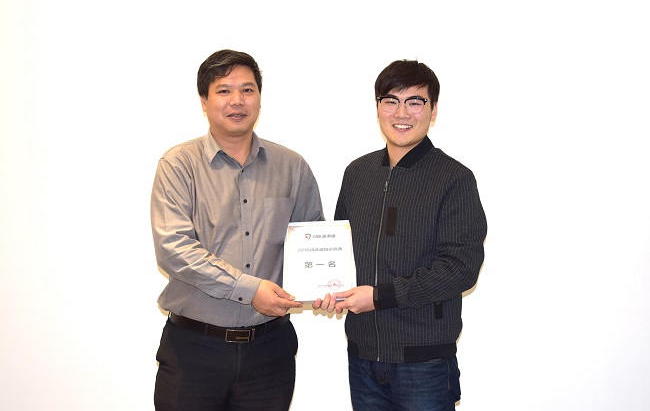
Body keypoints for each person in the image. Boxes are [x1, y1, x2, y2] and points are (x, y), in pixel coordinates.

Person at [151, 49, 324, 410]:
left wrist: (325, 285)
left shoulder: (292, 167)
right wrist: (249, 289)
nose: (237, 101)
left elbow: (313, 244)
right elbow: (174, 249)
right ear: (204, 101)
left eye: (247, 90)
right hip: (193, 350)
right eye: (224, 90)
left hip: (269, 352)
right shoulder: (179, 165)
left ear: (259, 97)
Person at [314, 59, 487, 410]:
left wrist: (379, 297)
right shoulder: (357, 173)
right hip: (363, 356)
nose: (401, 112)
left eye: (415, 101)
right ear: (378, 107)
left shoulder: (454, 179)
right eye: (391, 101)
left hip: (424, 362)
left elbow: (459, 269)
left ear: (433, 110)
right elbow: (339, 252)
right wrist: (327, 288)